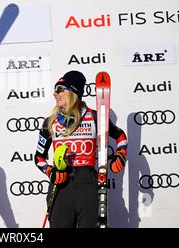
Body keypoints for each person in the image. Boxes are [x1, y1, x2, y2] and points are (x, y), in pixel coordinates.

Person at [34, 70, 128, 228]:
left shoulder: (95, 117)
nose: (55, 94)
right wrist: (51, 172)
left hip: (87, 183)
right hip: (61, 185)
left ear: (72, 92)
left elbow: (120, 136)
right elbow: (39, 158)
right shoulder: (50, 122)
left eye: (59, 89)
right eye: (54, 90)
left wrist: (120, 154)